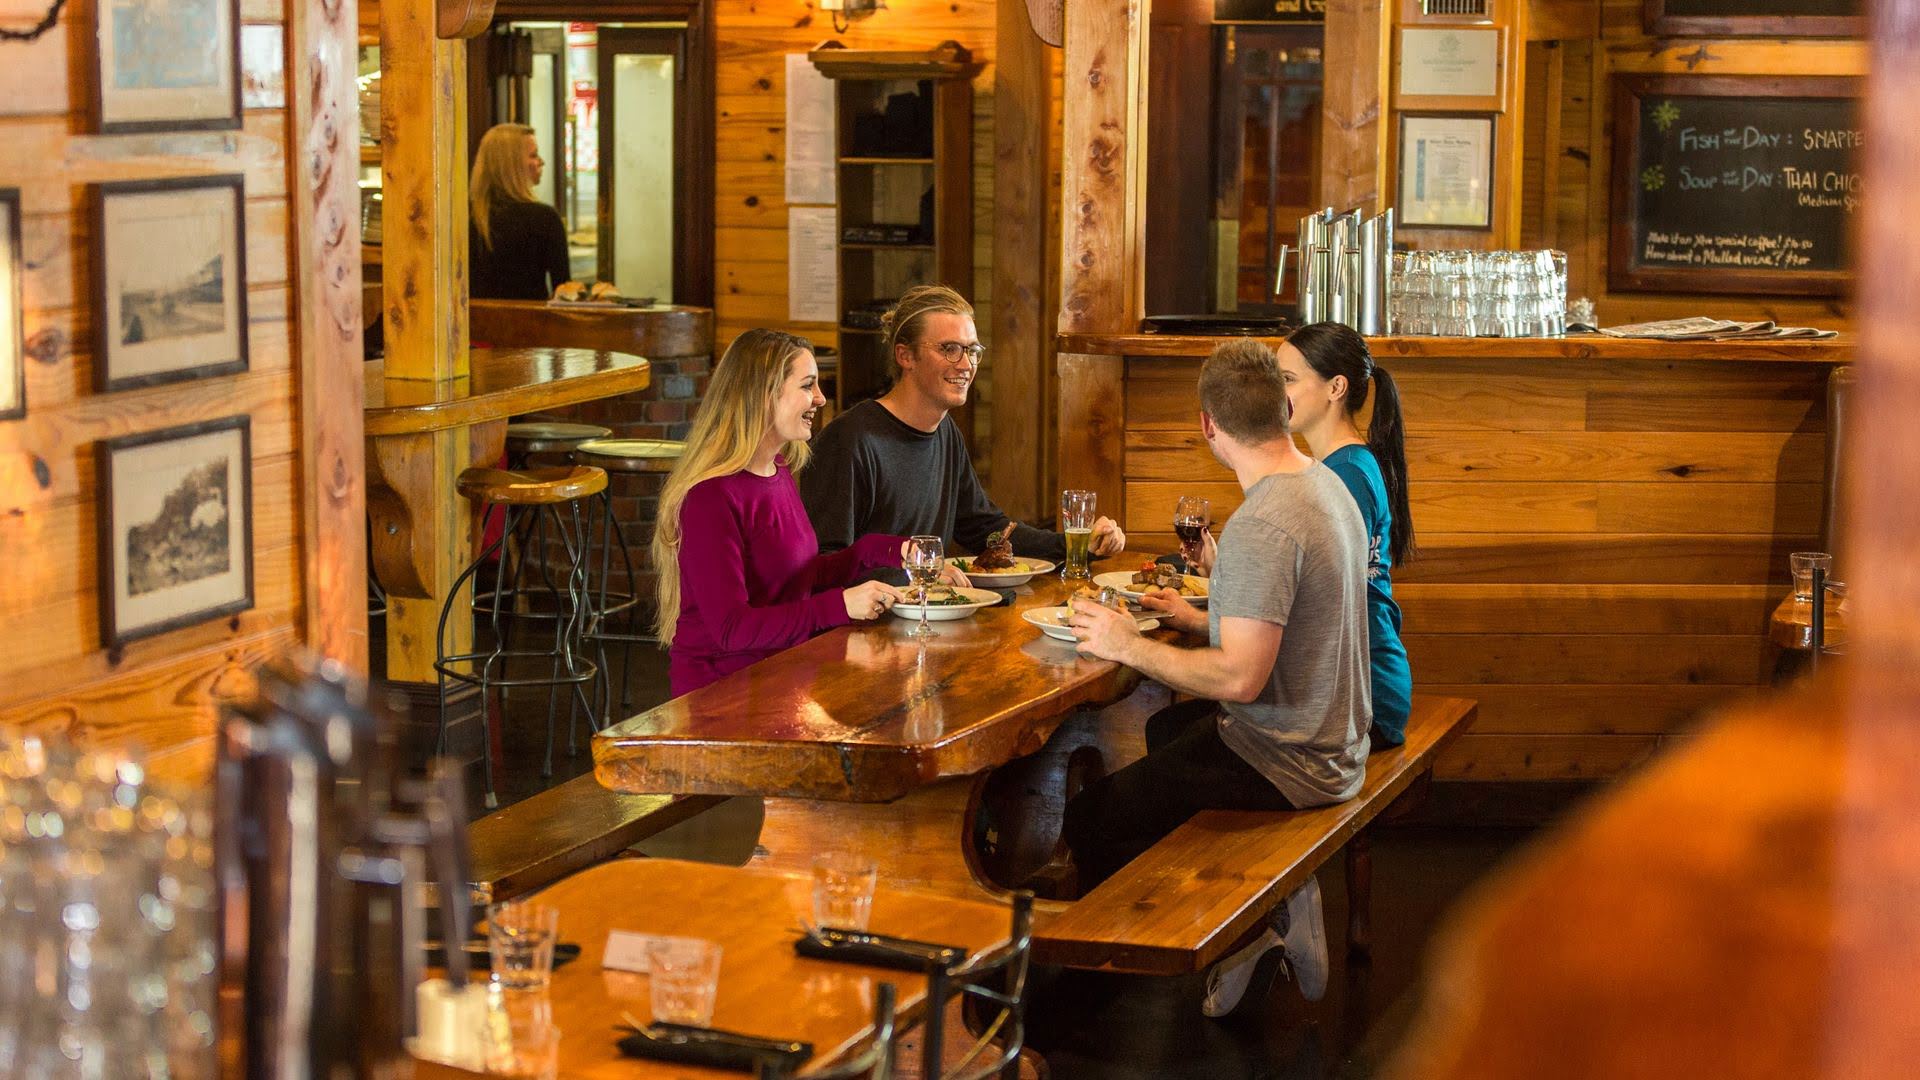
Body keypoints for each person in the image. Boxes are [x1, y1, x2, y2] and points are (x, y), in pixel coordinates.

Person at [1062, 337, 1372, 1017]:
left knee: (1091, 818)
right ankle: (1255, 909)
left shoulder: (1266, 521)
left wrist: (1124, 643)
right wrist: (1197, 617)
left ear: (1208, 424)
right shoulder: (1321, 482)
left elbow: (1239, 679)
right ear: (1283, 408)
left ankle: (1115, 988)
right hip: (1336, 741)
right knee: (1169, 726)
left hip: (1294, 761)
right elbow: (1287, 626)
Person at [652, 329, 918, 696]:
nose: (821, 399)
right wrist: (839, 605)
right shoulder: (710, 497)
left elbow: (795, 576)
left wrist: (887, 550)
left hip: (780, 676)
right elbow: (732, 629)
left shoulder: (779, 470)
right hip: (720, 697)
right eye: (808, 385)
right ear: (763, 394)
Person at [800, 285, 1125, 563]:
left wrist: (1077, 545)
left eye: (971, 350)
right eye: (949, 349)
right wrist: (926, 577)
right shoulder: (850, 440)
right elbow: (826, 562)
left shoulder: (945, 432)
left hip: (928, 617)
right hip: (863, 629)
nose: (966, 364)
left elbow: (984, 529)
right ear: (905, 356)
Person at [1276, 322, 1415, 749]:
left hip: (1364, 695)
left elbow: (1323, 601)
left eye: (1287, 380)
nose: (1275, 394)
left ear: (1336, 387)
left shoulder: (1348, 474)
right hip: (1353, 684)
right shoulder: (1343, 466)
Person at [469, 123, 571, 301]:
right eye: (533, 155)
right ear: (511, 164)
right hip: (531, 325)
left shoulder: (465, 216)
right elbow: (564, 293)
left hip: (473, 326)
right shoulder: (545, 219)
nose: (541, 161)